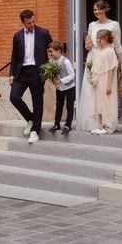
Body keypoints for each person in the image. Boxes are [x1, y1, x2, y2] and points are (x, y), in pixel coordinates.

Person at [77, 0, 122, 132]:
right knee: (91, 91)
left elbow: (118, 45)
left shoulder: (114, 24)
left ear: (105, 9)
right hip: (94, 58)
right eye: (95, 9)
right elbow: (89, 46)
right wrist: (87, 45)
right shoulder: (92, 25)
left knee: (105, 91)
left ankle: (108, 123)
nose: (97, 12)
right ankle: (94, 123)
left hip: (107, 60)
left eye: (99, 9)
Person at [9, 9, 53, 144]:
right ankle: (31, 119)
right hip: (21, 72)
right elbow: (14, 56)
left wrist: (51, 65)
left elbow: (52, 49)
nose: (32, 25)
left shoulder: (44, 33)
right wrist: (11, 74)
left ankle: (35, 131)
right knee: (14, 97)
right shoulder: (17, 36)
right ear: (23, 22)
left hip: (37, 71)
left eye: (33, 21)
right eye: (29, 23)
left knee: (37, 102)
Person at [88, 29, 119, 134]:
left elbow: (111, 68)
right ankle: (101, 125)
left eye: (98, 38)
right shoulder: (98, 51)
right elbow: (95, 66)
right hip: (98, 81)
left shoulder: (110, 51)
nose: (97, 40)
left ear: (105, 38)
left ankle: (107, 126)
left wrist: (109, 85)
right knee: (99, 102)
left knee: (106, 102)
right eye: (96, 38)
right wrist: (91, 75)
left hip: (105, 80)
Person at [47, 41, 75, 135]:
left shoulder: (66, 61)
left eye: (52, 52)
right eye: (49, 52)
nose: (50, 54)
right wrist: (52, 79)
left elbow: (72, 75)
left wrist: (60, 81)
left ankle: (68, 125)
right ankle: (57, 124)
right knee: (59, 105)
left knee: (69, 106)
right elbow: (51, 73)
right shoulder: (51, 61)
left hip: (69, 87)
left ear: (58, 51)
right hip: (59, 88)